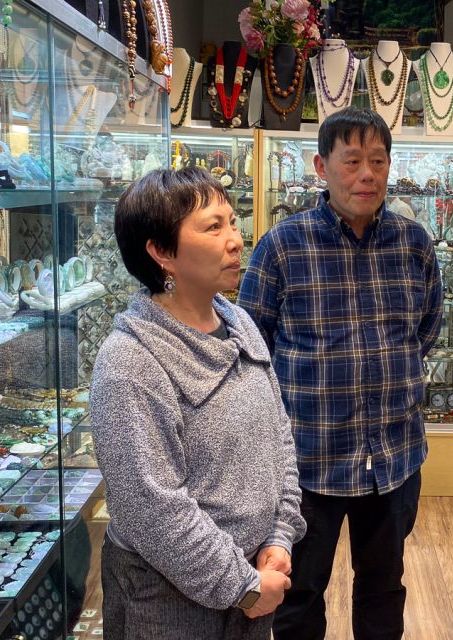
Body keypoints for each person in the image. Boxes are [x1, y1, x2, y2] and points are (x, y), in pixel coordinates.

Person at [238, 106, 443, 640]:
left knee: (384, 586)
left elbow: (425, 332)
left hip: (394, 458)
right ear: (320, 166)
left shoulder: (415, 244)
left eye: (378, 160)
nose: (367, 174)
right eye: (351, 160)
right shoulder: (282, 246)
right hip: (307, 462)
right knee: (298, 593)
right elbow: (251, 351)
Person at [90, 167, 305, 640]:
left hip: (253, 581)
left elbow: (279, 440)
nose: (236, 239)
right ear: (162, 252)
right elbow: (153, 510)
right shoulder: (129, 363)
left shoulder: (240, 323)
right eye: (214, 226)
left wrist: (279, 536)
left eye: (233, 221)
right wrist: (244, 587)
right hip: (169, 603)